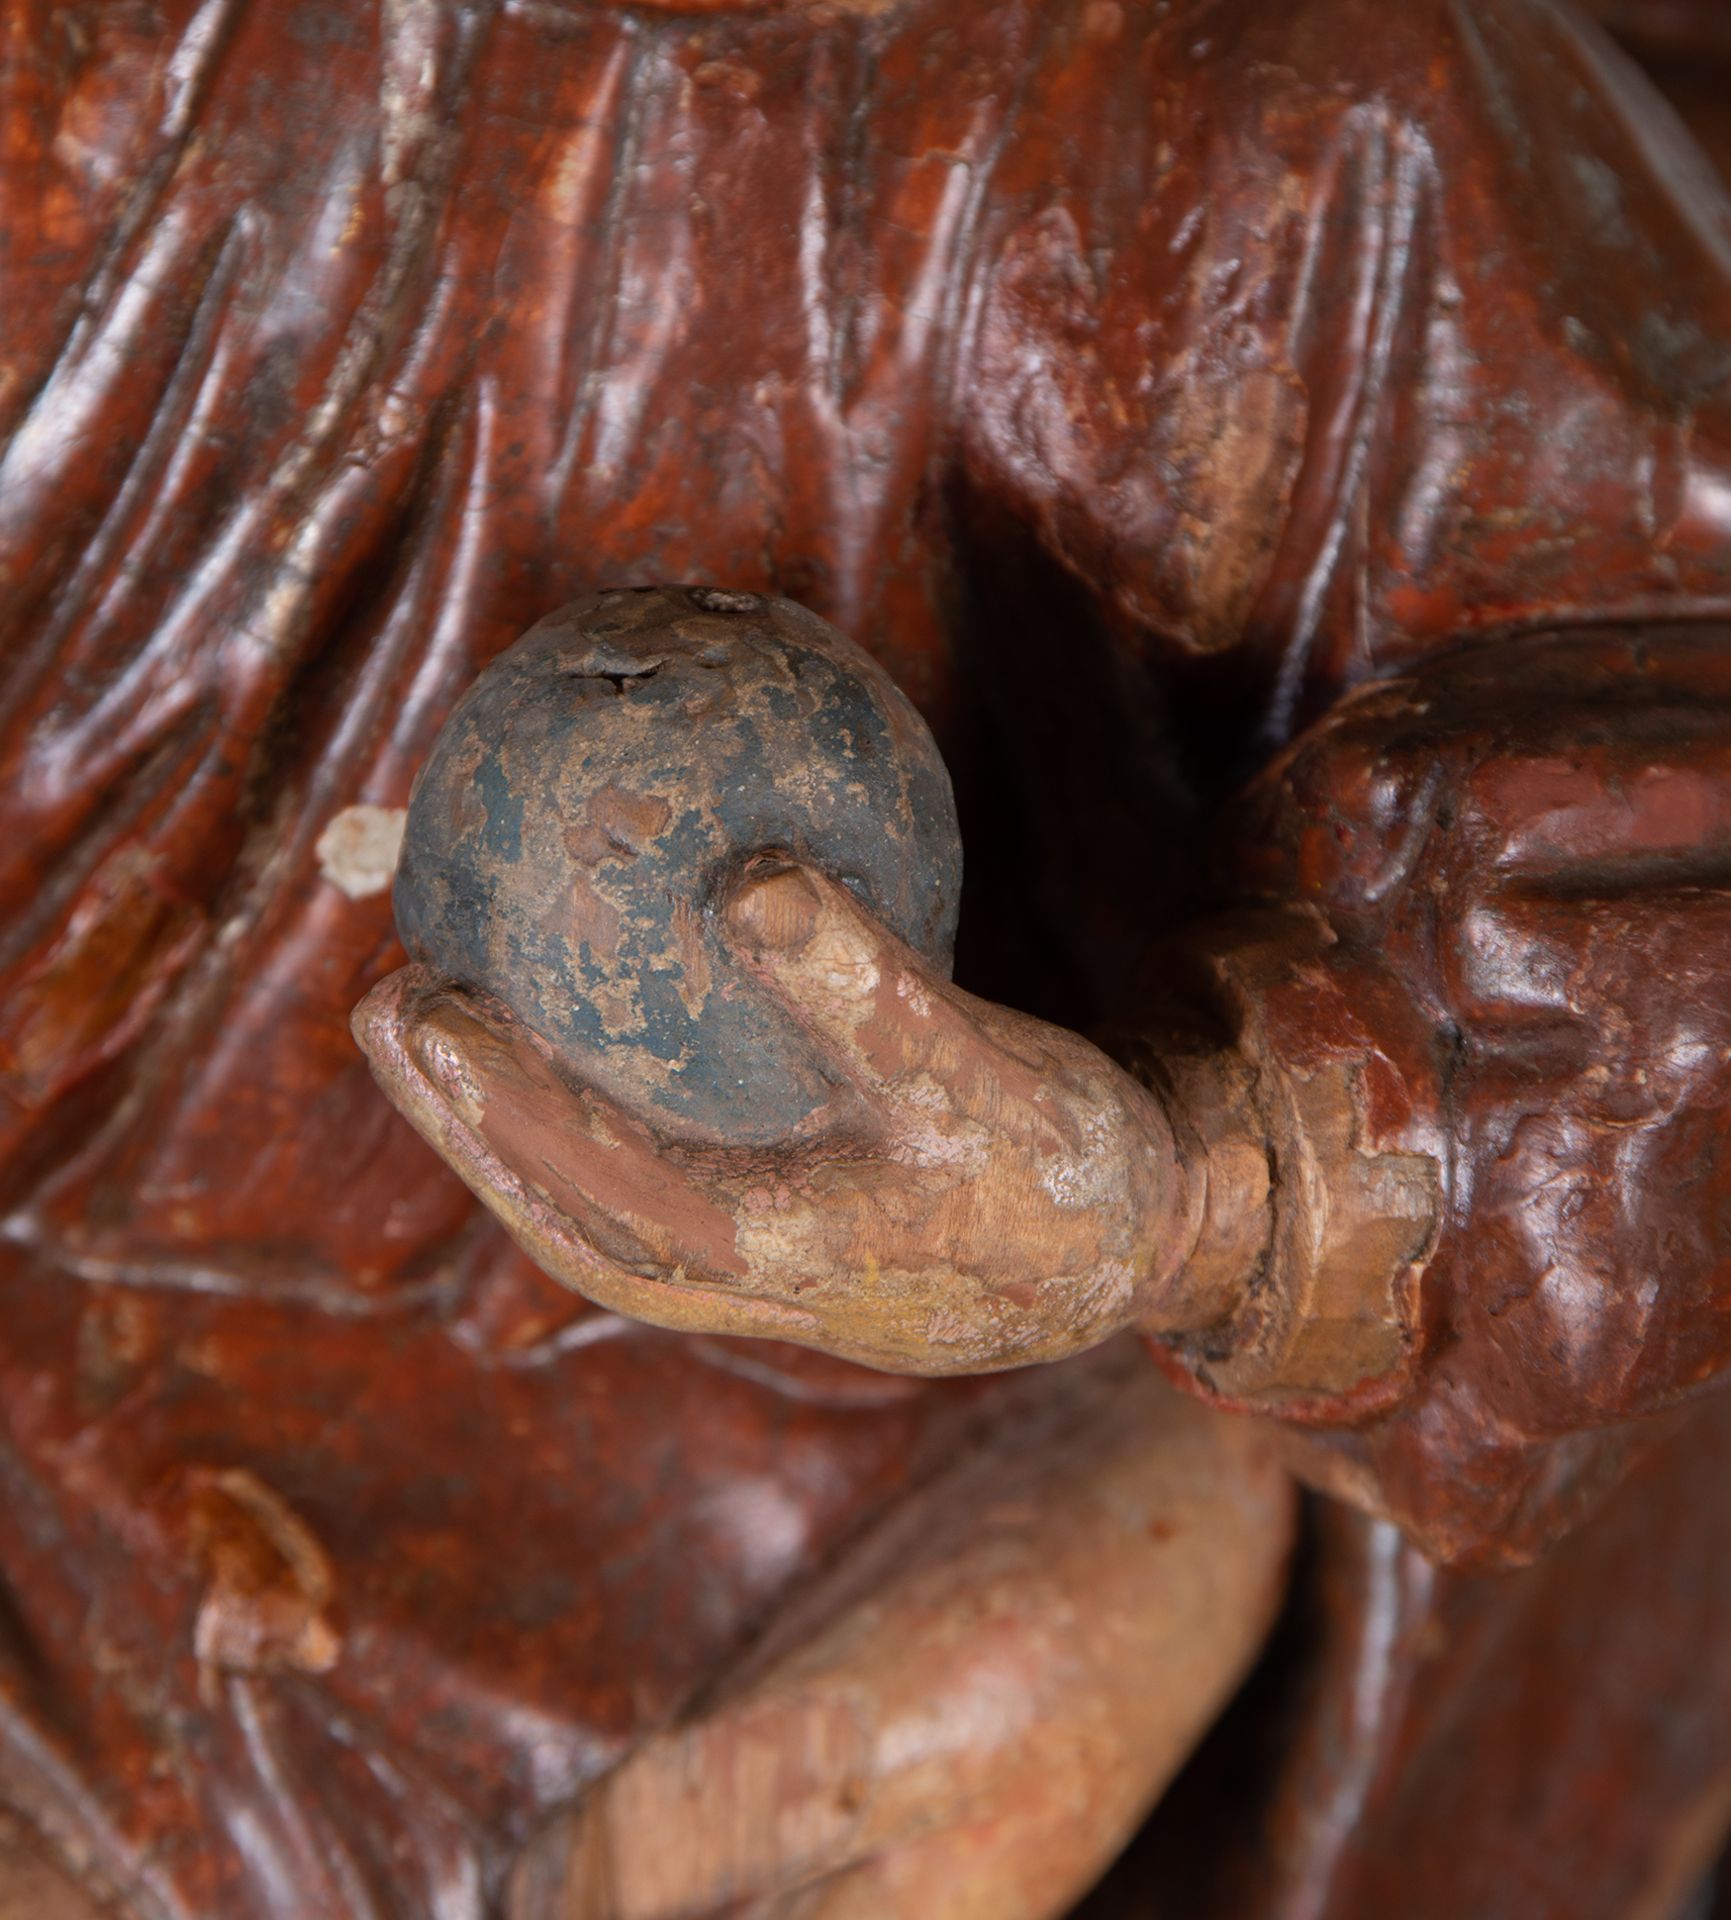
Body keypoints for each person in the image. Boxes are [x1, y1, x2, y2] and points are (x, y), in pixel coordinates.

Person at [4, 0, 1731, 1912]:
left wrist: (1192, 1216)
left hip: (891, 1503)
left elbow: (1665, 819)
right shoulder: (97, 126)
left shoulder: (1295, 146)